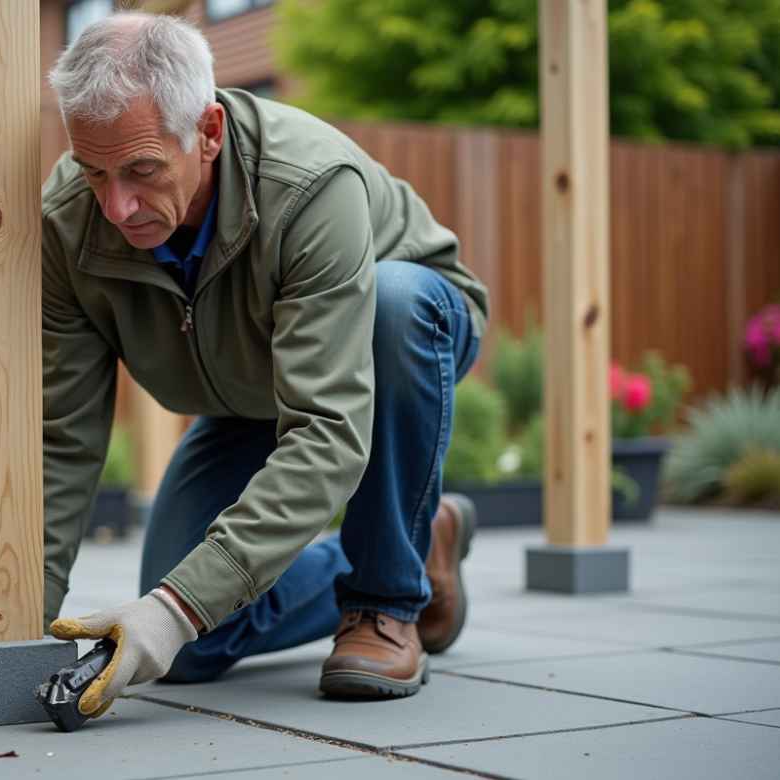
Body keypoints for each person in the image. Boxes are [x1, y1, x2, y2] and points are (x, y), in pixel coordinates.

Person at [40, 12, 487, 720]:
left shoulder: (311, 186)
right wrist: (17, 622)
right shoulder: (68, 223)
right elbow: (60, 439)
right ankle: (413, 546)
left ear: (209, 132)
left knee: (395, 303)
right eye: (93, 170)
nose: (116, 205)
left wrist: (177, 606)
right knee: (180, 649)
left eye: (143, 170)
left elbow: (328, 429)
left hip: (401, 336)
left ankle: (384, 600)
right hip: (251, 389)